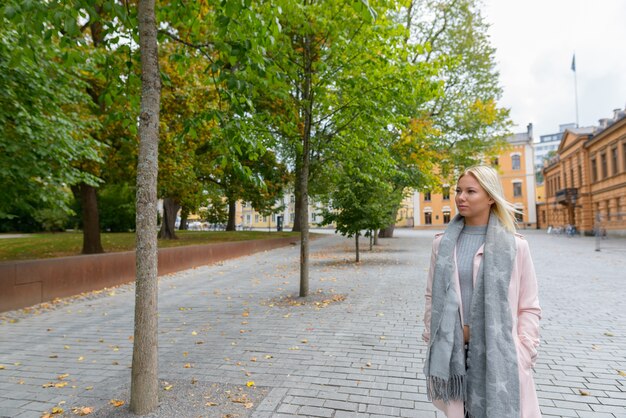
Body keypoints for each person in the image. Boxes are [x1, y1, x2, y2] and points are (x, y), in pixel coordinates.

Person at [422, 165, 542, 418]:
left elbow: (528, 305)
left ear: (490, 197)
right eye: (458, 190)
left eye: (470, 191)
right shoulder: (442, 244)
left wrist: (524, 351)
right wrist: (434, 335)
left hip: (500, 354)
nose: (460, 197)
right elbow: (432, 296)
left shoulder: (516, 247)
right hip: (454, 352)